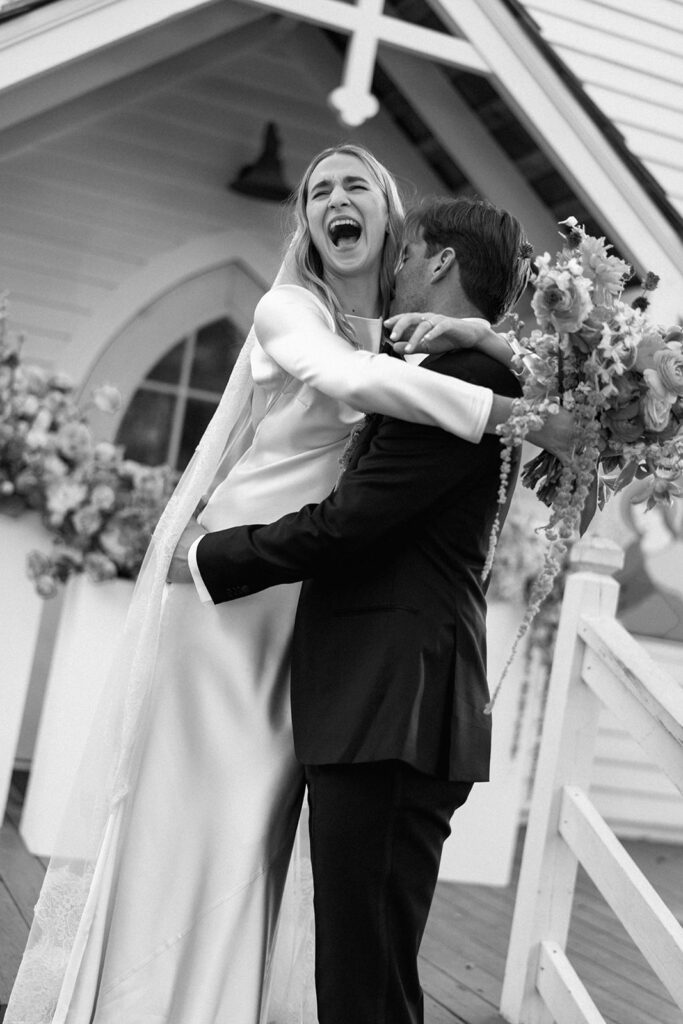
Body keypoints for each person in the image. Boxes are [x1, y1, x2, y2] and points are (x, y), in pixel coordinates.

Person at [6, 146, 568, 1024]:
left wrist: (480, 337)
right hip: (229, 600)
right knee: (196, 820)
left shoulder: (406, 336)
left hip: (314, 619)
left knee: (260, 840)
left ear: (396, 229)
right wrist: (512, 411)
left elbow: (427, 382)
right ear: (306, 223)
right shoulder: (289, 311)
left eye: (357, 188)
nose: (334, 201)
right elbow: (349, 385)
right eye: (318, 192)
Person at [181, 194, 527, 1024]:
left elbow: (350, 524)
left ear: (441, 262)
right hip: (394, 704)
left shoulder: (465, 380)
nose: (394, 266)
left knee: (363, 976)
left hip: (391, 705)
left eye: (407, 253)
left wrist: (206, 553)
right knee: (365, 963)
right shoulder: (481, 372)